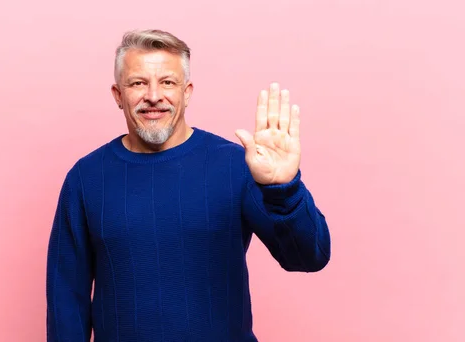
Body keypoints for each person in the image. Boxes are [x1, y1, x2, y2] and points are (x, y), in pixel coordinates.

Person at [46, 29, 331, 342]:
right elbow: (66, 303)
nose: (154, 95)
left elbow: (309, 257)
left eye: (167, 82)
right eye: (138, 83)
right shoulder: (86, 178)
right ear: (117, 95)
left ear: (187, 91)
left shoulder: (239, 166)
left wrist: (285, 188)